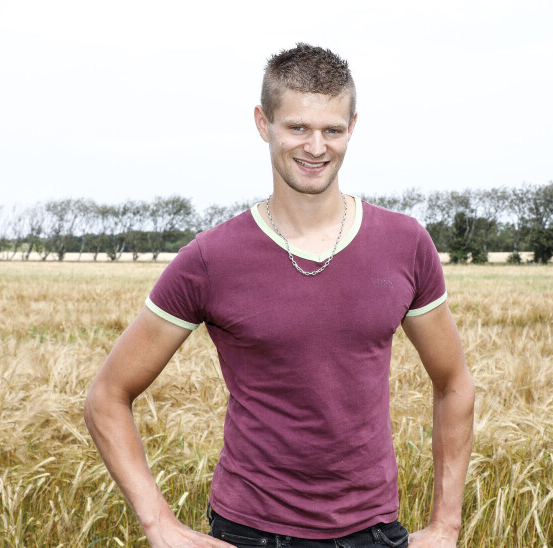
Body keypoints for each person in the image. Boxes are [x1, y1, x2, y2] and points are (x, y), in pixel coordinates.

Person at [84, 43, 475, 548]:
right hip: (250, 532)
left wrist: (447, 525)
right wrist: (159, 524)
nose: (316, 147)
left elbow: (454, 383)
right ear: (262, 123)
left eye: (332, 130)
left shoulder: (405, 243)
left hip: (373, 532)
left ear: (352, 127)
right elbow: (106, 397)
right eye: (297, 127)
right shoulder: (211, 259)